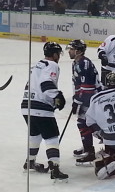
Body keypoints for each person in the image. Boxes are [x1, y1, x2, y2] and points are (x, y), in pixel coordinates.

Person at [21, 42, 68, 181]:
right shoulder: (52, 65)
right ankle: (55, 168)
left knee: (35, 134)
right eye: (58, 54)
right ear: (54, 54)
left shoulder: (35, 65)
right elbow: (45, 83)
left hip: (26, 105)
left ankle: (29, 161)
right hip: (40, 107)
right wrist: (58, 96)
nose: (59, 56)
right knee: (52, 137)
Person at [66, 39, 102, 166]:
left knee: (84, 123)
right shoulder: (76, 63)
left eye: (71, 49)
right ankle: (87, 146)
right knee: (85, 123)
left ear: (78, 51)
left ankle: (90, 151)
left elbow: (88, 87)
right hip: (86, 97)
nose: (69, 51)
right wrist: (76, 99)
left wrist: (77, 102)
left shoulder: (84, 64)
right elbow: (79, 85)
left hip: (92, 98)